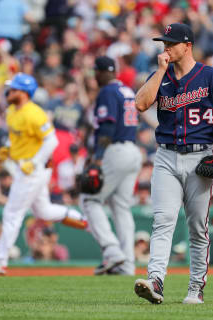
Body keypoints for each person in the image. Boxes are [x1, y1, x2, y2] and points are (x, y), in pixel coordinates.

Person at [133, 23, 213, 304]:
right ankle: (155, 280)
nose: (166, 47)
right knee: (163, 221)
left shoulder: (211, 76)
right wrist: (159, 71)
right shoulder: (162, 75)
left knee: (197, 228)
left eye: (171, 42)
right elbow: (141, 104)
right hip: (166, 156)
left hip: (200, 157)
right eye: (163, 42)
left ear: (187, 45)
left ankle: (195, 288)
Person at [0, 73, 87, 274]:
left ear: (24, 93)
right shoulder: (11, 111)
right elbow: (18, 138)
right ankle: (82, 219)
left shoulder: (35, 113)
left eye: (14, 89)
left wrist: (33, 162)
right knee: (42, 210)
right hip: (25, 167)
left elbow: (51, 141)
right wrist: (8, 148)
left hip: (33, 170)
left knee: (12, 213)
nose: (10, 92)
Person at [79, 56, 142, 276]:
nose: (94, 76)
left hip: (115, 150)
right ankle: (127, 265)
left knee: (89, 199)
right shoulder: (126, 90)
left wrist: (96, 159)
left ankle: (112, 251)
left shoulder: (107, 92)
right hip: (132, 150)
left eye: (96, 72)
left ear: (102, 72)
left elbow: (107, 127)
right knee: (120, 207)